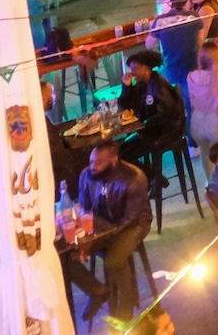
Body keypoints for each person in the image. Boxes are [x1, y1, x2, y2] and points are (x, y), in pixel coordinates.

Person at [62, 137, 153, 324]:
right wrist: (85, 240)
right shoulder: (86, 175)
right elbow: (85, 209)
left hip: (132, 225)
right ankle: (96, 290)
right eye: (91, 161)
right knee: (66, 255)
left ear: (114, 160)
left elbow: (131, 218)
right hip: (101, 223)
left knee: (114, 260)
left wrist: (99, 239)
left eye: (99, 162)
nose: (92, 167)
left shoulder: (134, 178)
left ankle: (126, 307)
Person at [120, 50, 185, 147]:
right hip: (152, 128)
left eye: (134, 69)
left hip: (166, 131)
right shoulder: (142, 84)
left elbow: (166, 113)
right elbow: (126, 104)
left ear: (145, 68)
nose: (132, 73)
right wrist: (127, 86)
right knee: (123, 146)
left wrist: (144, 124)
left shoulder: (158, 86)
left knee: (125, 149)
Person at [153, 0, 202, 94]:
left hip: (170, 69)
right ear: (187, 1)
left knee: (173, 98)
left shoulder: (160, 20)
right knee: (190, 98)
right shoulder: (194, 16)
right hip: (191, 67)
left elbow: (149, 44)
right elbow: (201, 41)